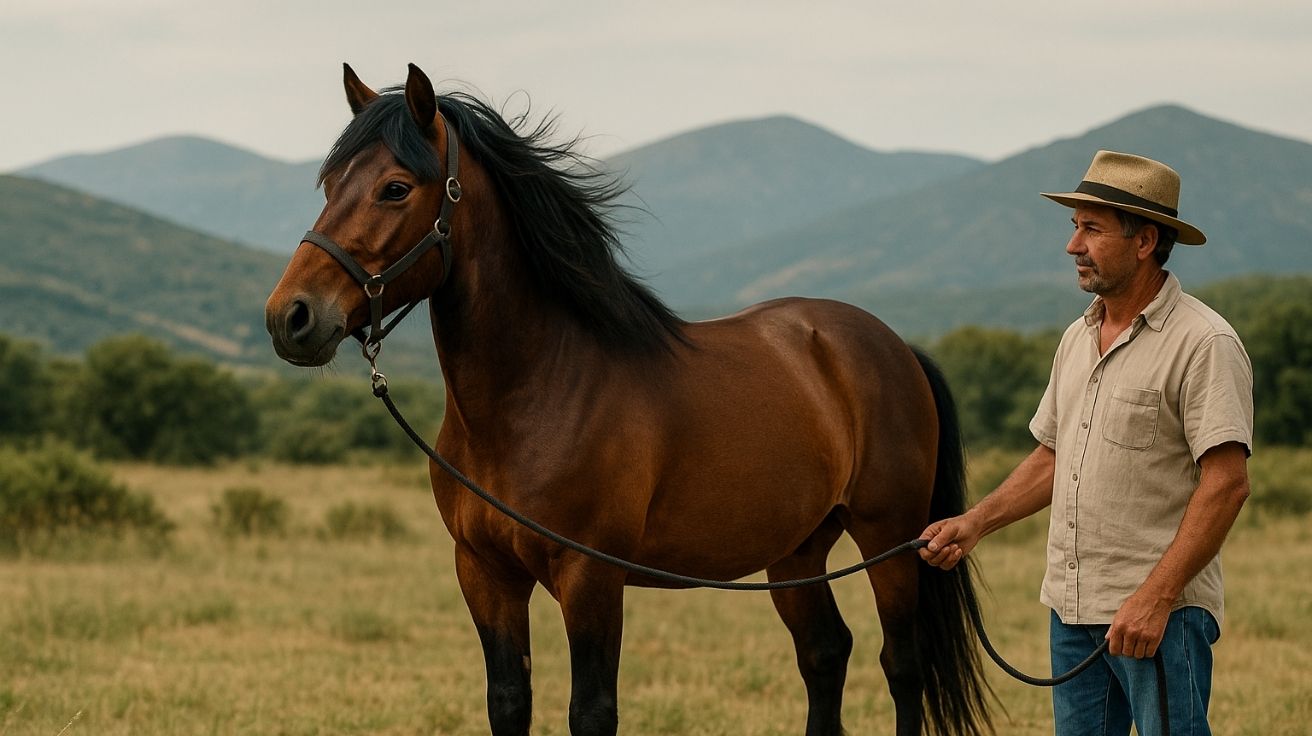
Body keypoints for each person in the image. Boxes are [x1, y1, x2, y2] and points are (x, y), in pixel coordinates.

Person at [919, 150, 1253, 735]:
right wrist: (974, 523)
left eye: (1091, 229)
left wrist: (1157, 597)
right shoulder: (1077, 337)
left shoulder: (1205, 343)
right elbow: (1053, 456)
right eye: (1075, 227)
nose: (1073, 246)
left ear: (1145, 241)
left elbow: (1227, 483)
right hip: (1072, 610)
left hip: (1160, 616)